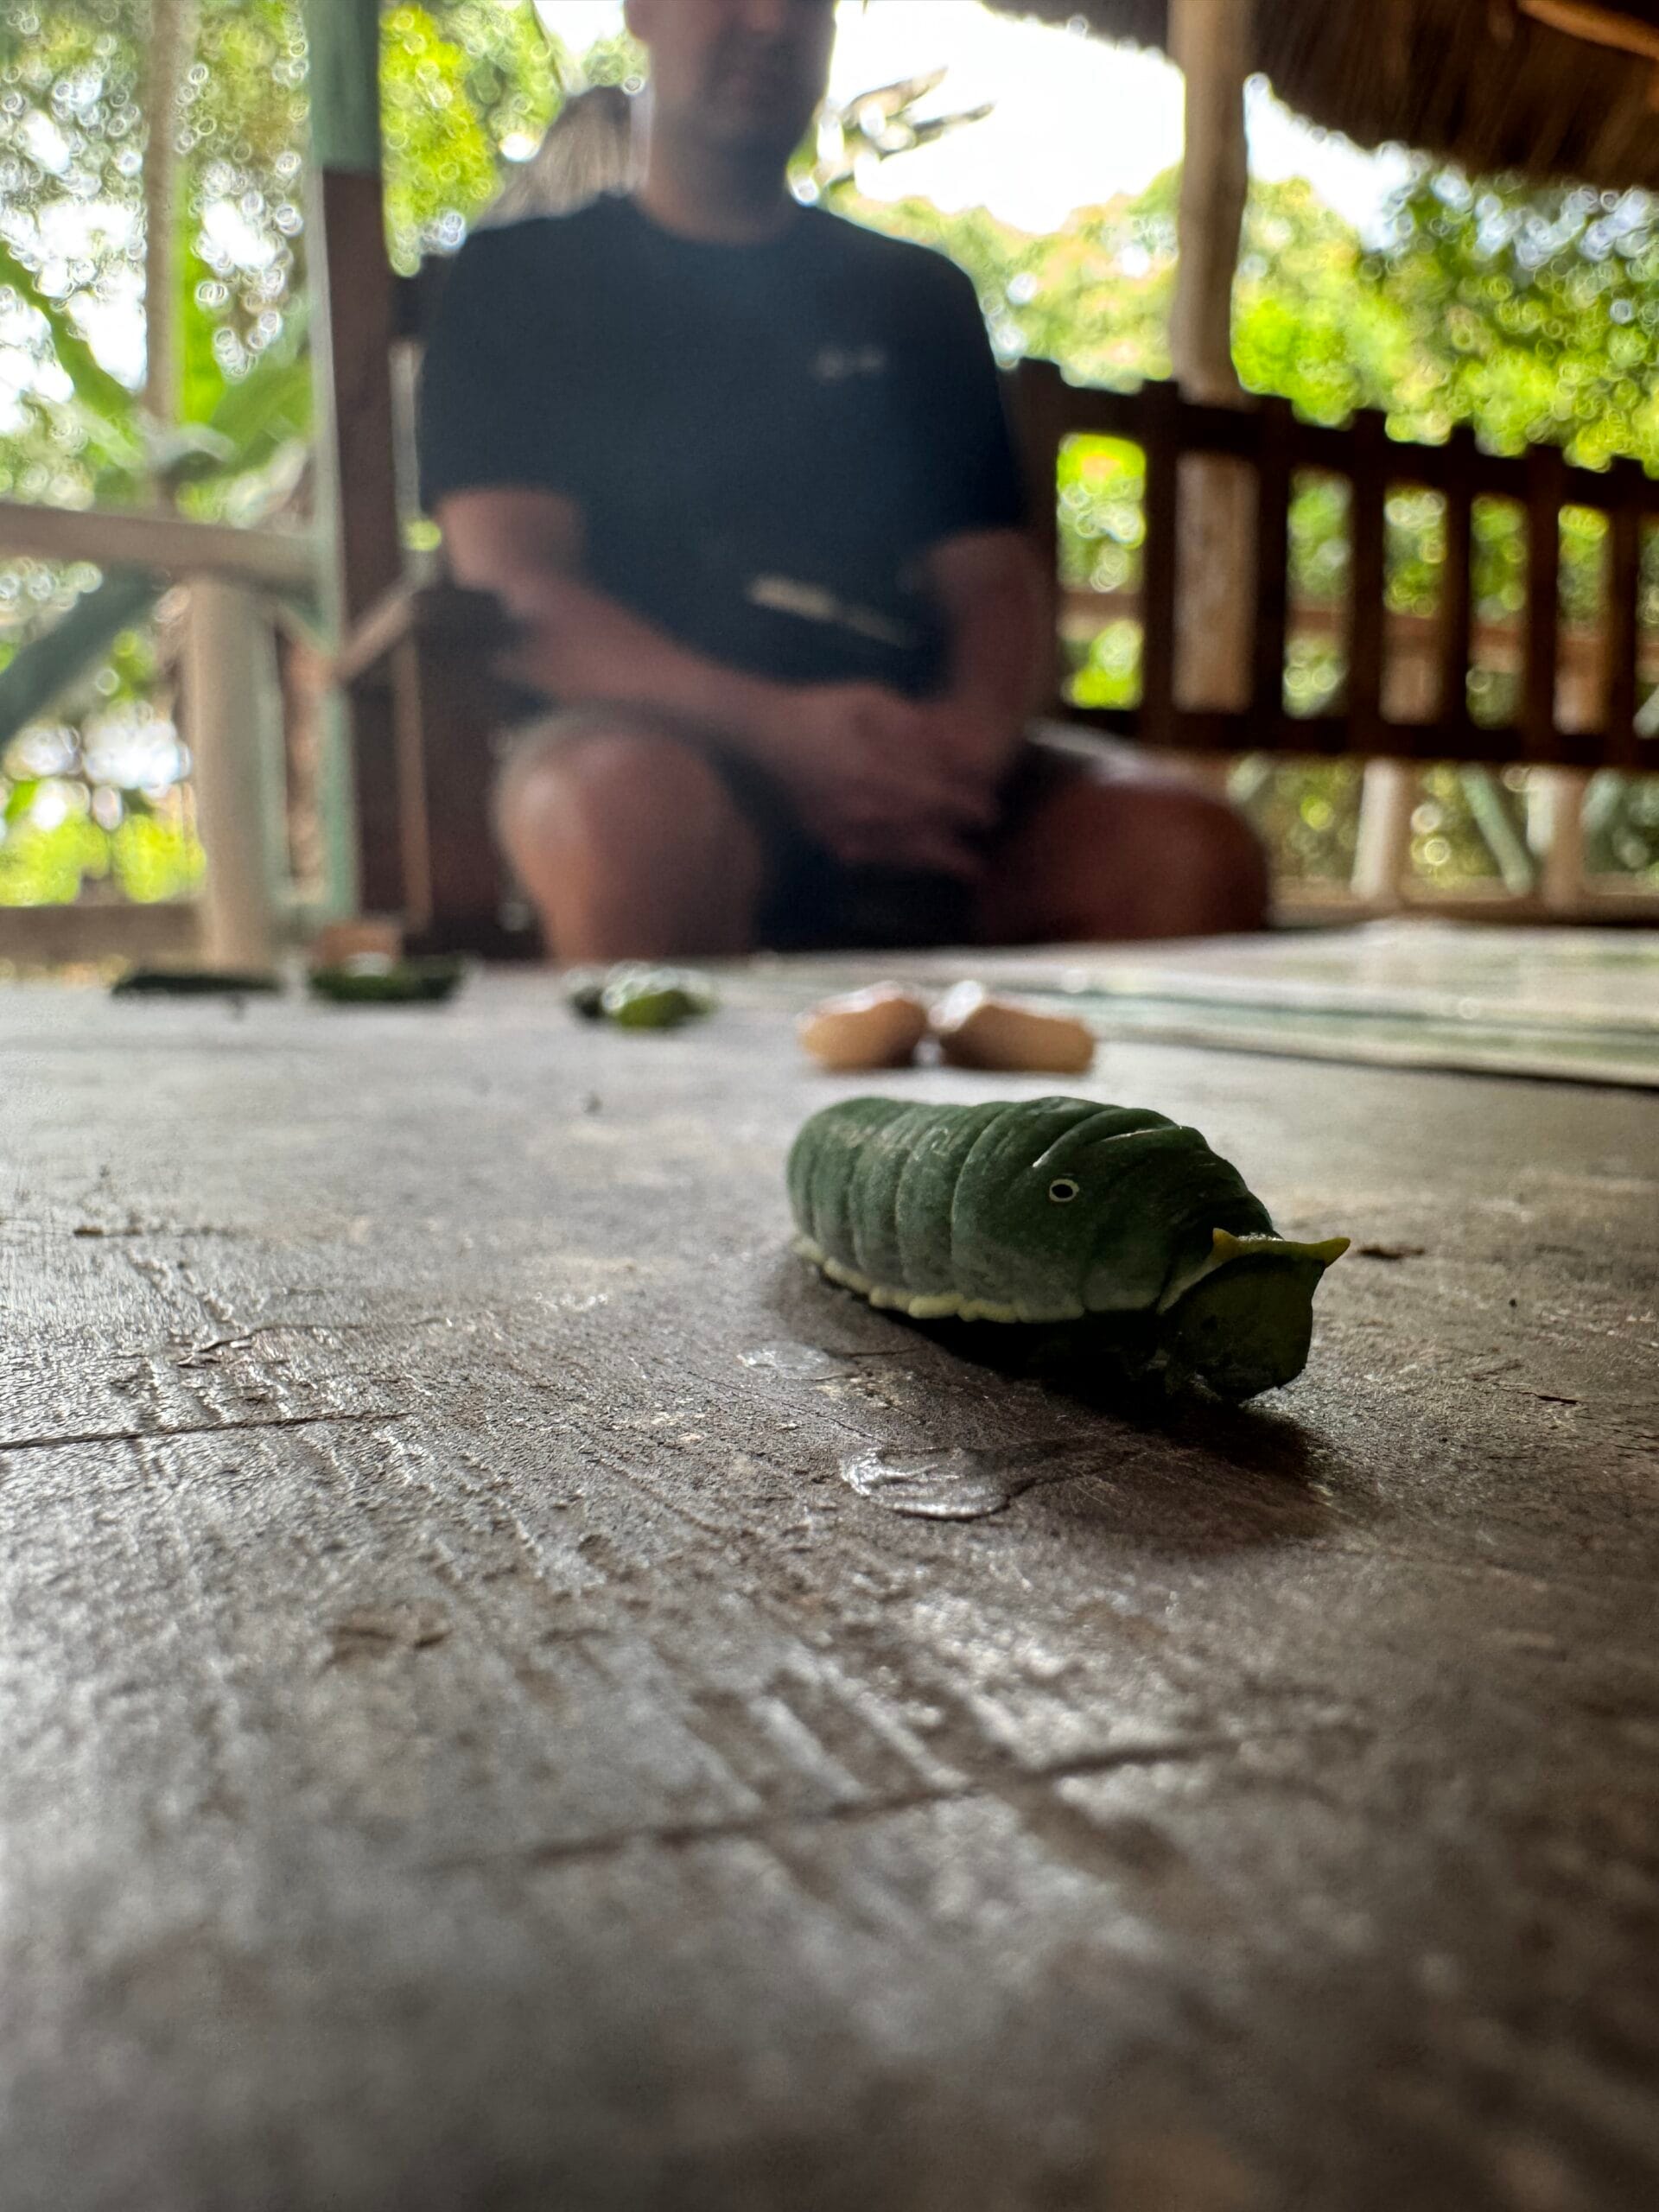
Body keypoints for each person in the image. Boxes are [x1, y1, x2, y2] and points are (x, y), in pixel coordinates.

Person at [418, 0, 1269, 961]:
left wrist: (958, 754)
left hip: (925, 767)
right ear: (641, 10)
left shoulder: (919, 301)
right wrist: (780, 731)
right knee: (623, 819)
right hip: (651, 740)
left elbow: (996, 583)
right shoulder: (522, 280)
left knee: (1185, 851)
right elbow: (520, 592)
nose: (771, 20)